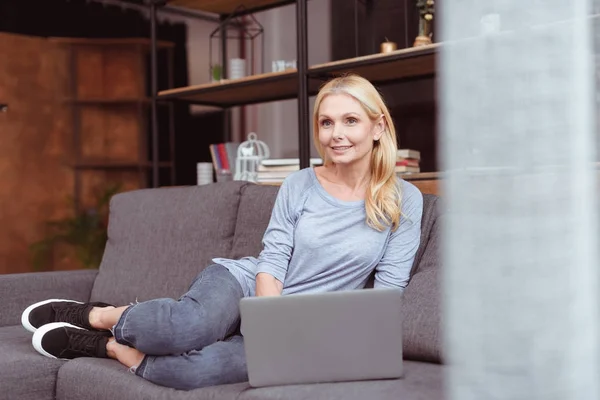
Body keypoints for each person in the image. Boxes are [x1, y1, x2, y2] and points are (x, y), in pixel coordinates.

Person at [21, 74, 423, 391]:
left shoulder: (403, 200)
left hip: (304, 330)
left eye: (350, 120)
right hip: (249, 287)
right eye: (326, 122)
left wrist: (309, 341)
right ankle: (98, 314)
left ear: (378, 126)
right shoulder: (300, 184)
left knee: (190, 373)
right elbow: (273, 258)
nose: (337, 134)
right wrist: (273, 324)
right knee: (183, 329)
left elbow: (387, 294)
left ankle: (105, 346)